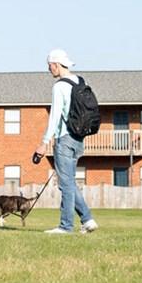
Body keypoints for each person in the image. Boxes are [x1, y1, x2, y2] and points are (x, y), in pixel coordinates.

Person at [33, 49, 98, 235]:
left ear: (55, 64)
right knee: (70, 182)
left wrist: (44, 143)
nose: (49, 69)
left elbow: (54, 117)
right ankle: (88, 220)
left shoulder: (60, 86)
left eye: (49, 66)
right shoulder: (81, 82)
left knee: (65, 184)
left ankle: (65, 226)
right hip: (79, 139)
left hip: (65, 139)